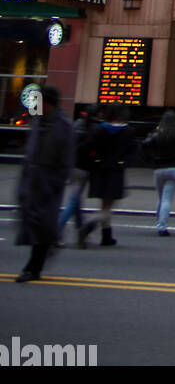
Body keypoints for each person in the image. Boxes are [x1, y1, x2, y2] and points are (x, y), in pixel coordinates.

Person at [16, 84, 74, 282]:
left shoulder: (64, 126)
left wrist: (55, 183)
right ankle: (41, 255)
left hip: (48, 184)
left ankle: (32, 268)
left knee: (41, 226)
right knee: (33, 224)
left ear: (48, 103)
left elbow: (66, 161)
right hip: (31, 182)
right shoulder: (37, 122)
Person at [79, 103, 134, 247]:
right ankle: (89, 224)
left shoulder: (100, 130)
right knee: (108, 206)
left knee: (104, 203)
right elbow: (132, 150)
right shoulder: (128, 131)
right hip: (116, 170)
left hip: (99, 169)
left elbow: (86, 146)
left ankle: (106, 236)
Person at [143, 110, 175, 235]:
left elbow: (145, 145)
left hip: (159, 167)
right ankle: (162, 225)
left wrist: (150, 159)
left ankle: (160, 222)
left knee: (161, 197)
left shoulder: (157, 134)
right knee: (167, 198)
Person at [57, 105, 95, 244]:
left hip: (72, 166)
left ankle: (81, 230)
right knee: (74, 201)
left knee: (76, 201)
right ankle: (57, 232)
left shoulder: (75, 126)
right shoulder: (92, 130)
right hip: (83, 168)